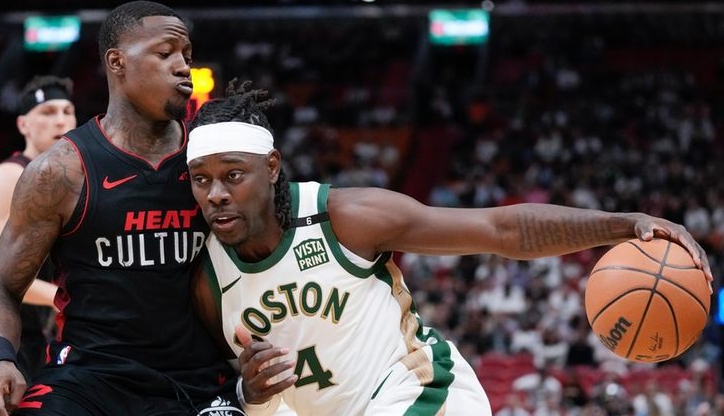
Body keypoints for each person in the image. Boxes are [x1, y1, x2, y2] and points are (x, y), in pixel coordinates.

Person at [187, 82, 712, 416]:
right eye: (201, 180)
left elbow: (501, 230)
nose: (216, 194)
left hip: (422, 395)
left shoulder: (344, 216)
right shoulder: (207, 278)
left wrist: (626, 225)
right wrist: (248, 397)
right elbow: (241, 391)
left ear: (272, 167)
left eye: (233, 176)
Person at [0, 1, 241, 416]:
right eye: (165, 52)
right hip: (89, 379)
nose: (183, 66)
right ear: (117, 62)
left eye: (186, 55)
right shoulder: (61, 171)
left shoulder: (211, 157)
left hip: (199, 380)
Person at [0, 75, 76, 416]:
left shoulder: (67, 177)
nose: (61, 120)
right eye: (48, 111)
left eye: (68, 111)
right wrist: (60, 298)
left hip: (34, 328)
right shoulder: (10, 175)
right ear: (23, 123)